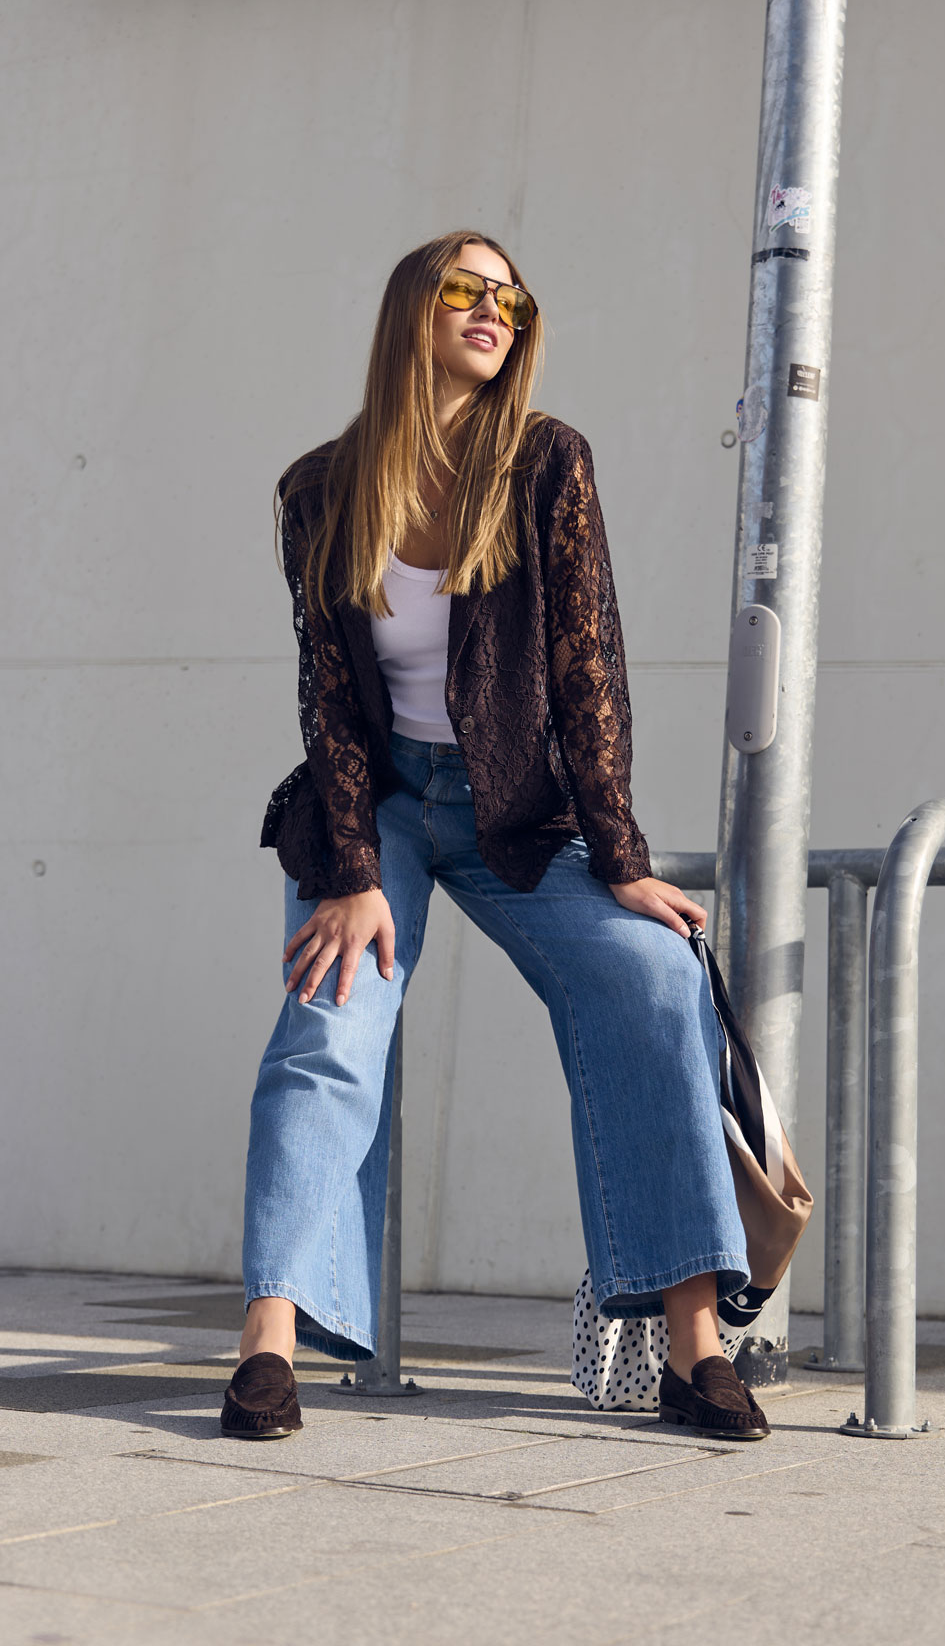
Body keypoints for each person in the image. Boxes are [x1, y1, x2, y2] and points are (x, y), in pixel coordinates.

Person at [220, 230, 768, 1445]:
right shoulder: (320, 488)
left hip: (518, 806)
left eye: (510, 298)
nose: (492, 310)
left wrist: (622, 859)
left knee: (653, 978)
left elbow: (589, 668)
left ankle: (695, 1346)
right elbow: (328, 696)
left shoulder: (545, 462)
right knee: (329, 1019)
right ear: (412, 311)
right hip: (375, 809)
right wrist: (352, 872)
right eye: (466, 289)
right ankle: (269, 1341)